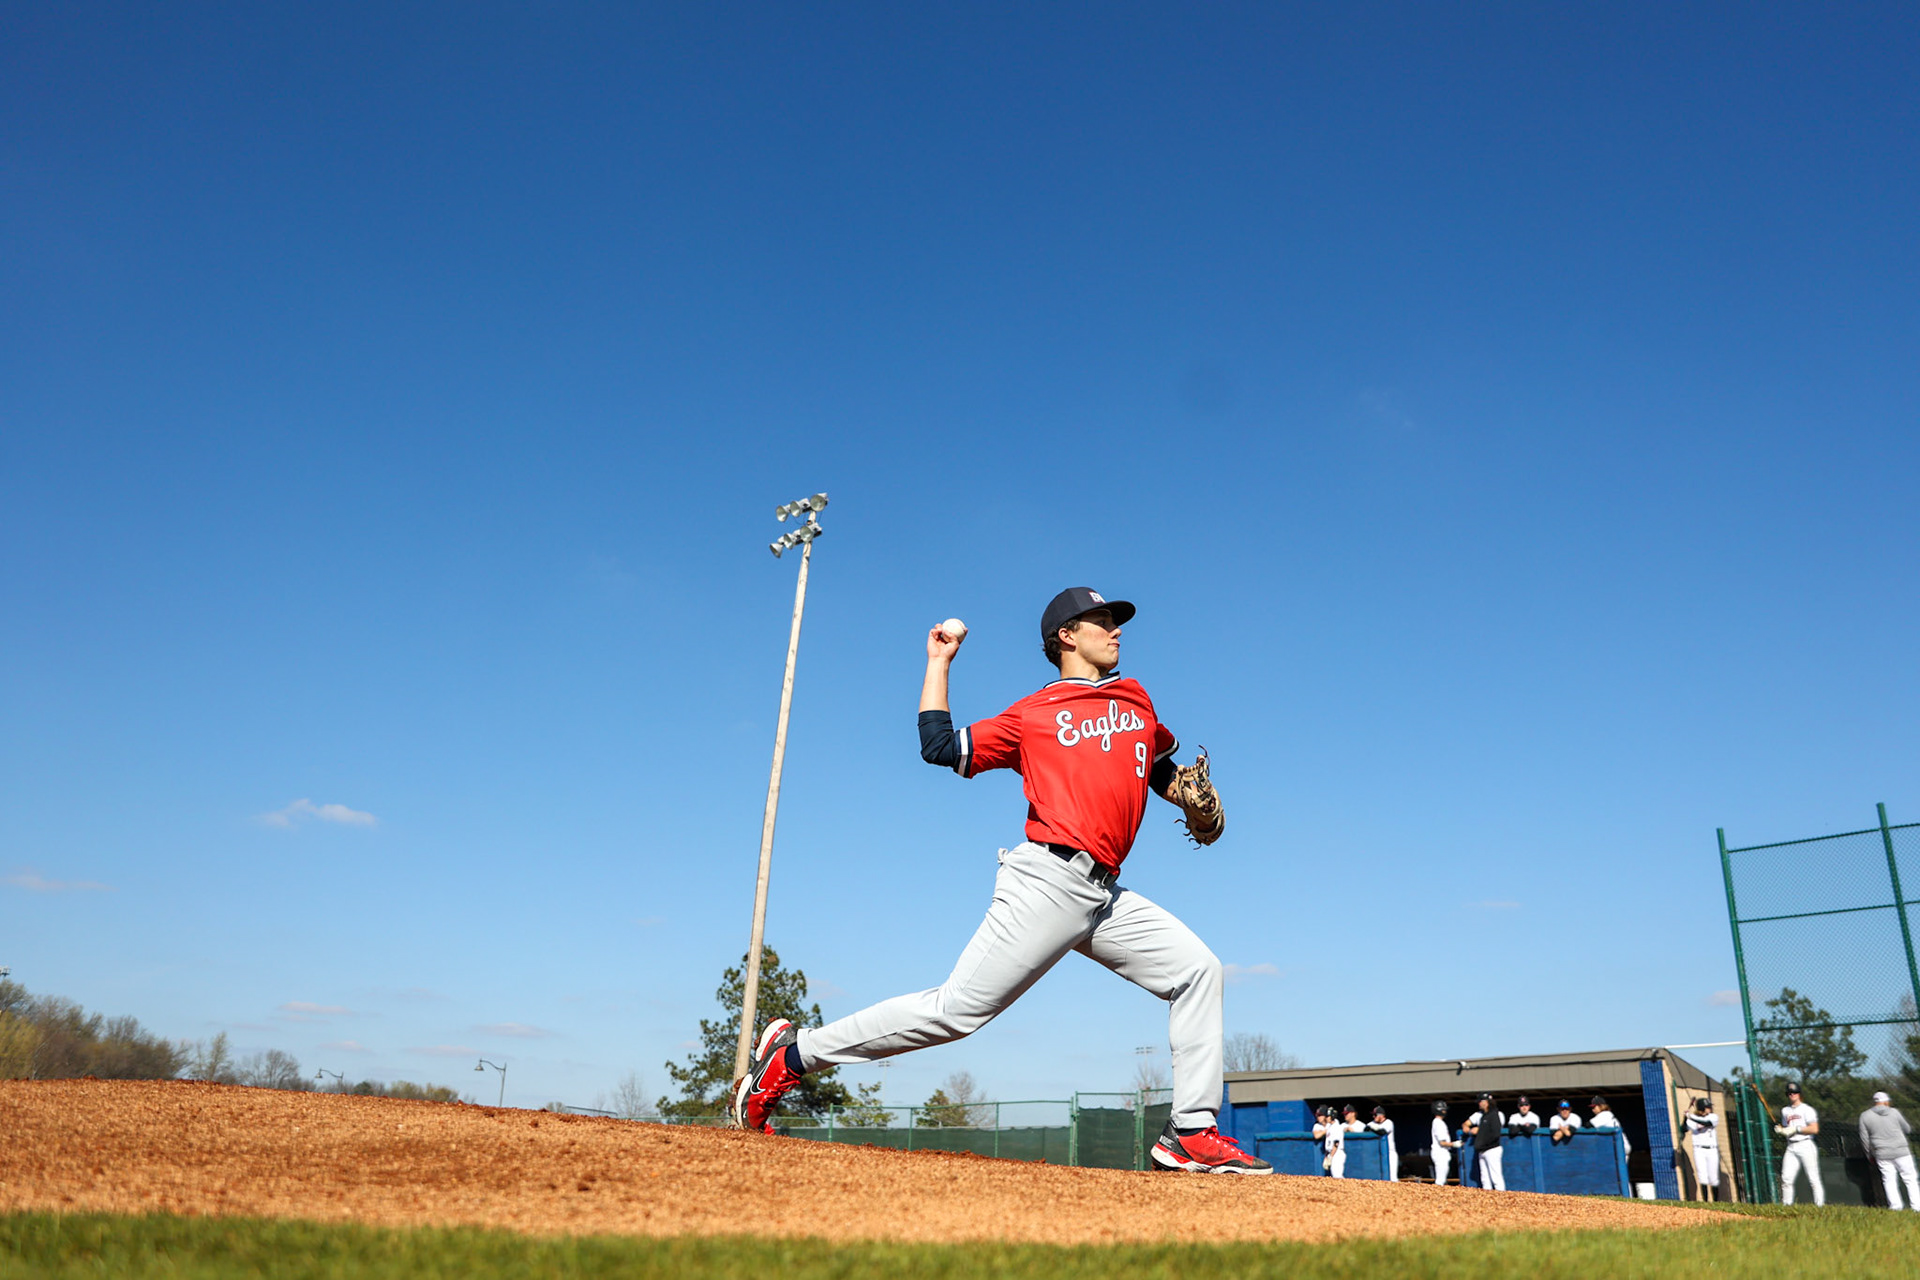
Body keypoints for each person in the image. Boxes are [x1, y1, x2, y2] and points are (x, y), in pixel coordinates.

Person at [729, 589, 1271, 1172]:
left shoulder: (1135, 698)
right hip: (1047, 881)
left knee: (1198, 971)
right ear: (1067, 635)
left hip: (1103, 894)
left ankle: (1190, 1130)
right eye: (1103, 621)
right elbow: (940, 747)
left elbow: (1156, 763)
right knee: (955, 1012)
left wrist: (1184, 797)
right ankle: (794, 1055)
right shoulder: (1032, 715)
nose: (1116, 631)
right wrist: (938, 663)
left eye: (1116, 622)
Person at [1858, 1091, 1918, 1211]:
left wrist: (1869, 1154)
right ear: (1886, 1101)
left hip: (1882, 1152)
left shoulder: (1865, 1116)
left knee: (1889, 1180)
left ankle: (1896, 1207)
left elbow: (1864, 1138)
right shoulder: (1894, 1112)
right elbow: (1907, 1129)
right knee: (1910, 1178)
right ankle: (1917, 1207)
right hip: (1901, 1151)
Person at [1775, 1082, 1824, 1206]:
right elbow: (1787, 1128)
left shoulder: (1807, 1109)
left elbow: (1814, 1129)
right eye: (1789, 1093)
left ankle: (1819, 1206)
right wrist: (1782, 1130)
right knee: (1786, 1179)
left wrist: (1797, 1129)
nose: (1792, 1095)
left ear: (1799, 1094)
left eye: (1795, 1092)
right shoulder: (1785, 1111)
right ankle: (1786, 1206)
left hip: (1805, 1144)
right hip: (1791, 1146)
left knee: (1813, 1178)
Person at [1466, 1092, 1506, 1190]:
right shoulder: (1484, 1115)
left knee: (1496, 1178)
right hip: (1482, 1150)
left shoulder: (1494, 1114)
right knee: (1485, 1179)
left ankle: (1502, 1200)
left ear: (1486, 1102)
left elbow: (1496, 1133)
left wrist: (1484, 1142)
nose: (1479, 1103)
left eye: (1480, 1101)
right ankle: (1487, 1202)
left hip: (1492, 1149)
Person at [1684, 1097, 1721, 1201]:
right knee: (1702, 1177)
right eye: (1707, 1107)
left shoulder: (1713, 1117)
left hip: (1712, 1150)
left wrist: (1690, 1116)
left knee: (1713, 1178)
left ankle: (1716, 1202)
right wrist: (1685, 1118)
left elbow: (1707, 1123)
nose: (1709, 1109)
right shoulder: (1693, 1119)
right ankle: (1705, 1201)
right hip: (1699, 1150)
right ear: (1701, 1108)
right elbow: (1683, 1129)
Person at [1430, 1101, 1459, 1186]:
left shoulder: (1438, 1122)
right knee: (1440, 1180)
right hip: (1440, 1152)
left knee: (1442, 1179)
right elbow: (1442, 1143)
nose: (1445, 1111)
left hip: (1441, 1152)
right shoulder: (1438, 1123)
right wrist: (1454, 1144)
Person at [1369, 1104, 1399, 1182]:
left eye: (1375, 1115)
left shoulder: (1388, 1122)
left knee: (1392, 1178)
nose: (1373, 1117)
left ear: (1381, 1115)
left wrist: (1372, 1129)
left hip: (1390, 1153)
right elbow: (1366, 1129)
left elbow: (1382, 1132)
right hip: (1377, 1154)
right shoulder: (1371, 1123)